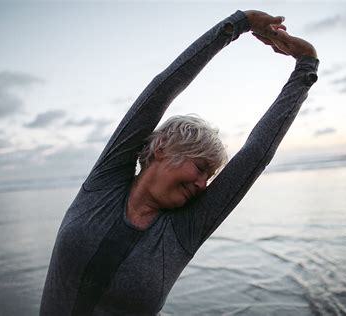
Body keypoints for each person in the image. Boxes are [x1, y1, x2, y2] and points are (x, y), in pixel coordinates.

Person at [40, 9, 319, 315]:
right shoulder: (103, 184)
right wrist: (239, 24)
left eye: (209, 177)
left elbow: (257, 152)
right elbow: (161, 90)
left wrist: (306, 66)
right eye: (200, 168)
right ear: (160, 149)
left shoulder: (185, 229)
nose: (203, 185)